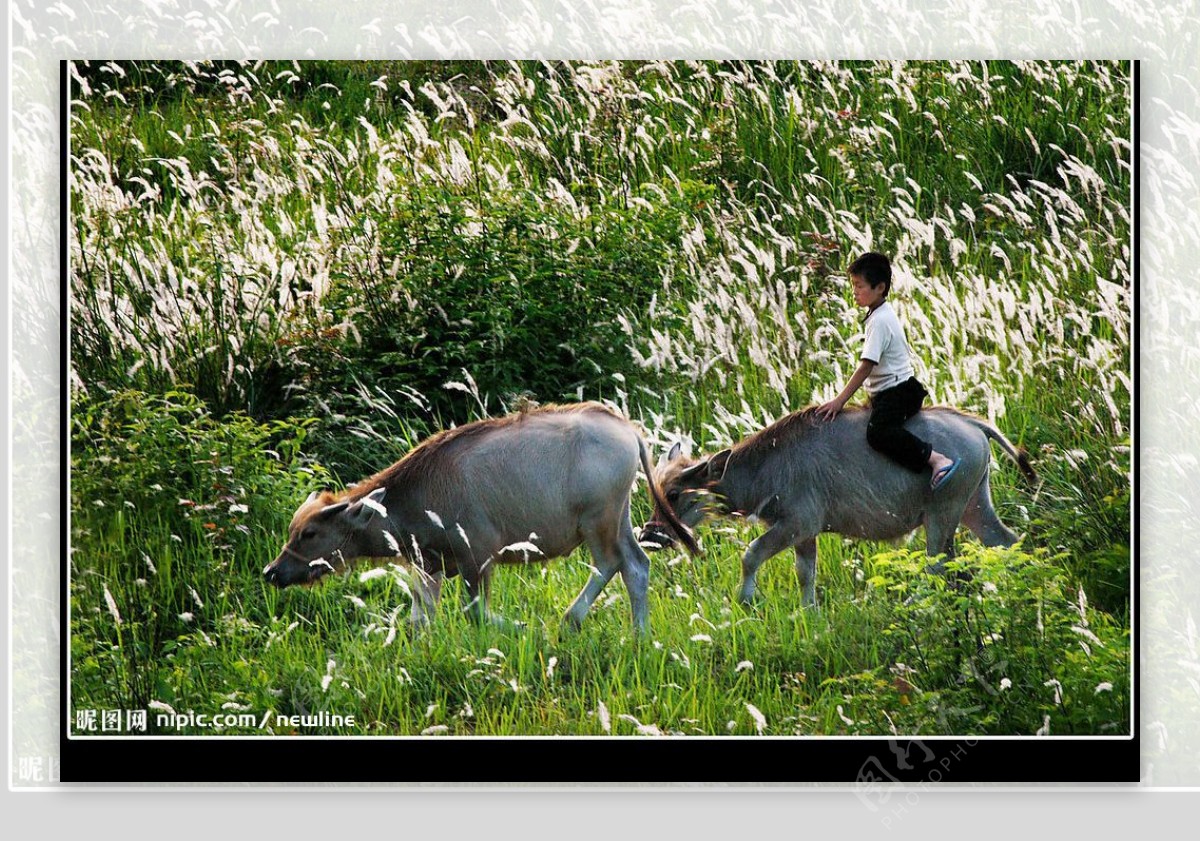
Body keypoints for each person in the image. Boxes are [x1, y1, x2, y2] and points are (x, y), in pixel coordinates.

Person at [815, 252, 958, 490]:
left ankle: (936, 459)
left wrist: (839, 401)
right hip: (888, 391)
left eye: (859, 286)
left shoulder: (881, 320)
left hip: (898, 393)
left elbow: (866, 366)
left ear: (880, 287)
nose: (855, 291)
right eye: (853, 285)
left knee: (878, 433)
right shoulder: (878, 314)